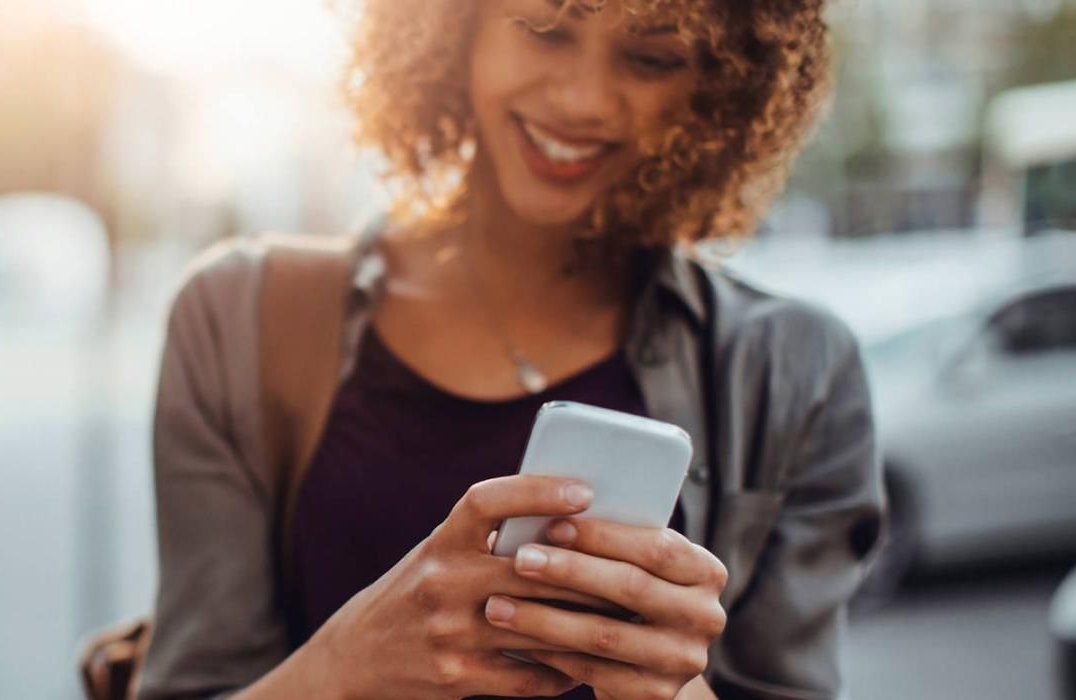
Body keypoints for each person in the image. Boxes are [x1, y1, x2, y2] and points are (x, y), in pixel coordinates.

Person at [139, 0, 885, 698]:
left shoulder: (799, 371)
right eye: (544, 28)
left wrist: (673, 689)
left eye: (653, 59)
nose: (583, 100)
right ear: (452, 24)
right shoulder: (239, 318)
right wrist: (349, 660)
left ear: (720, 85)